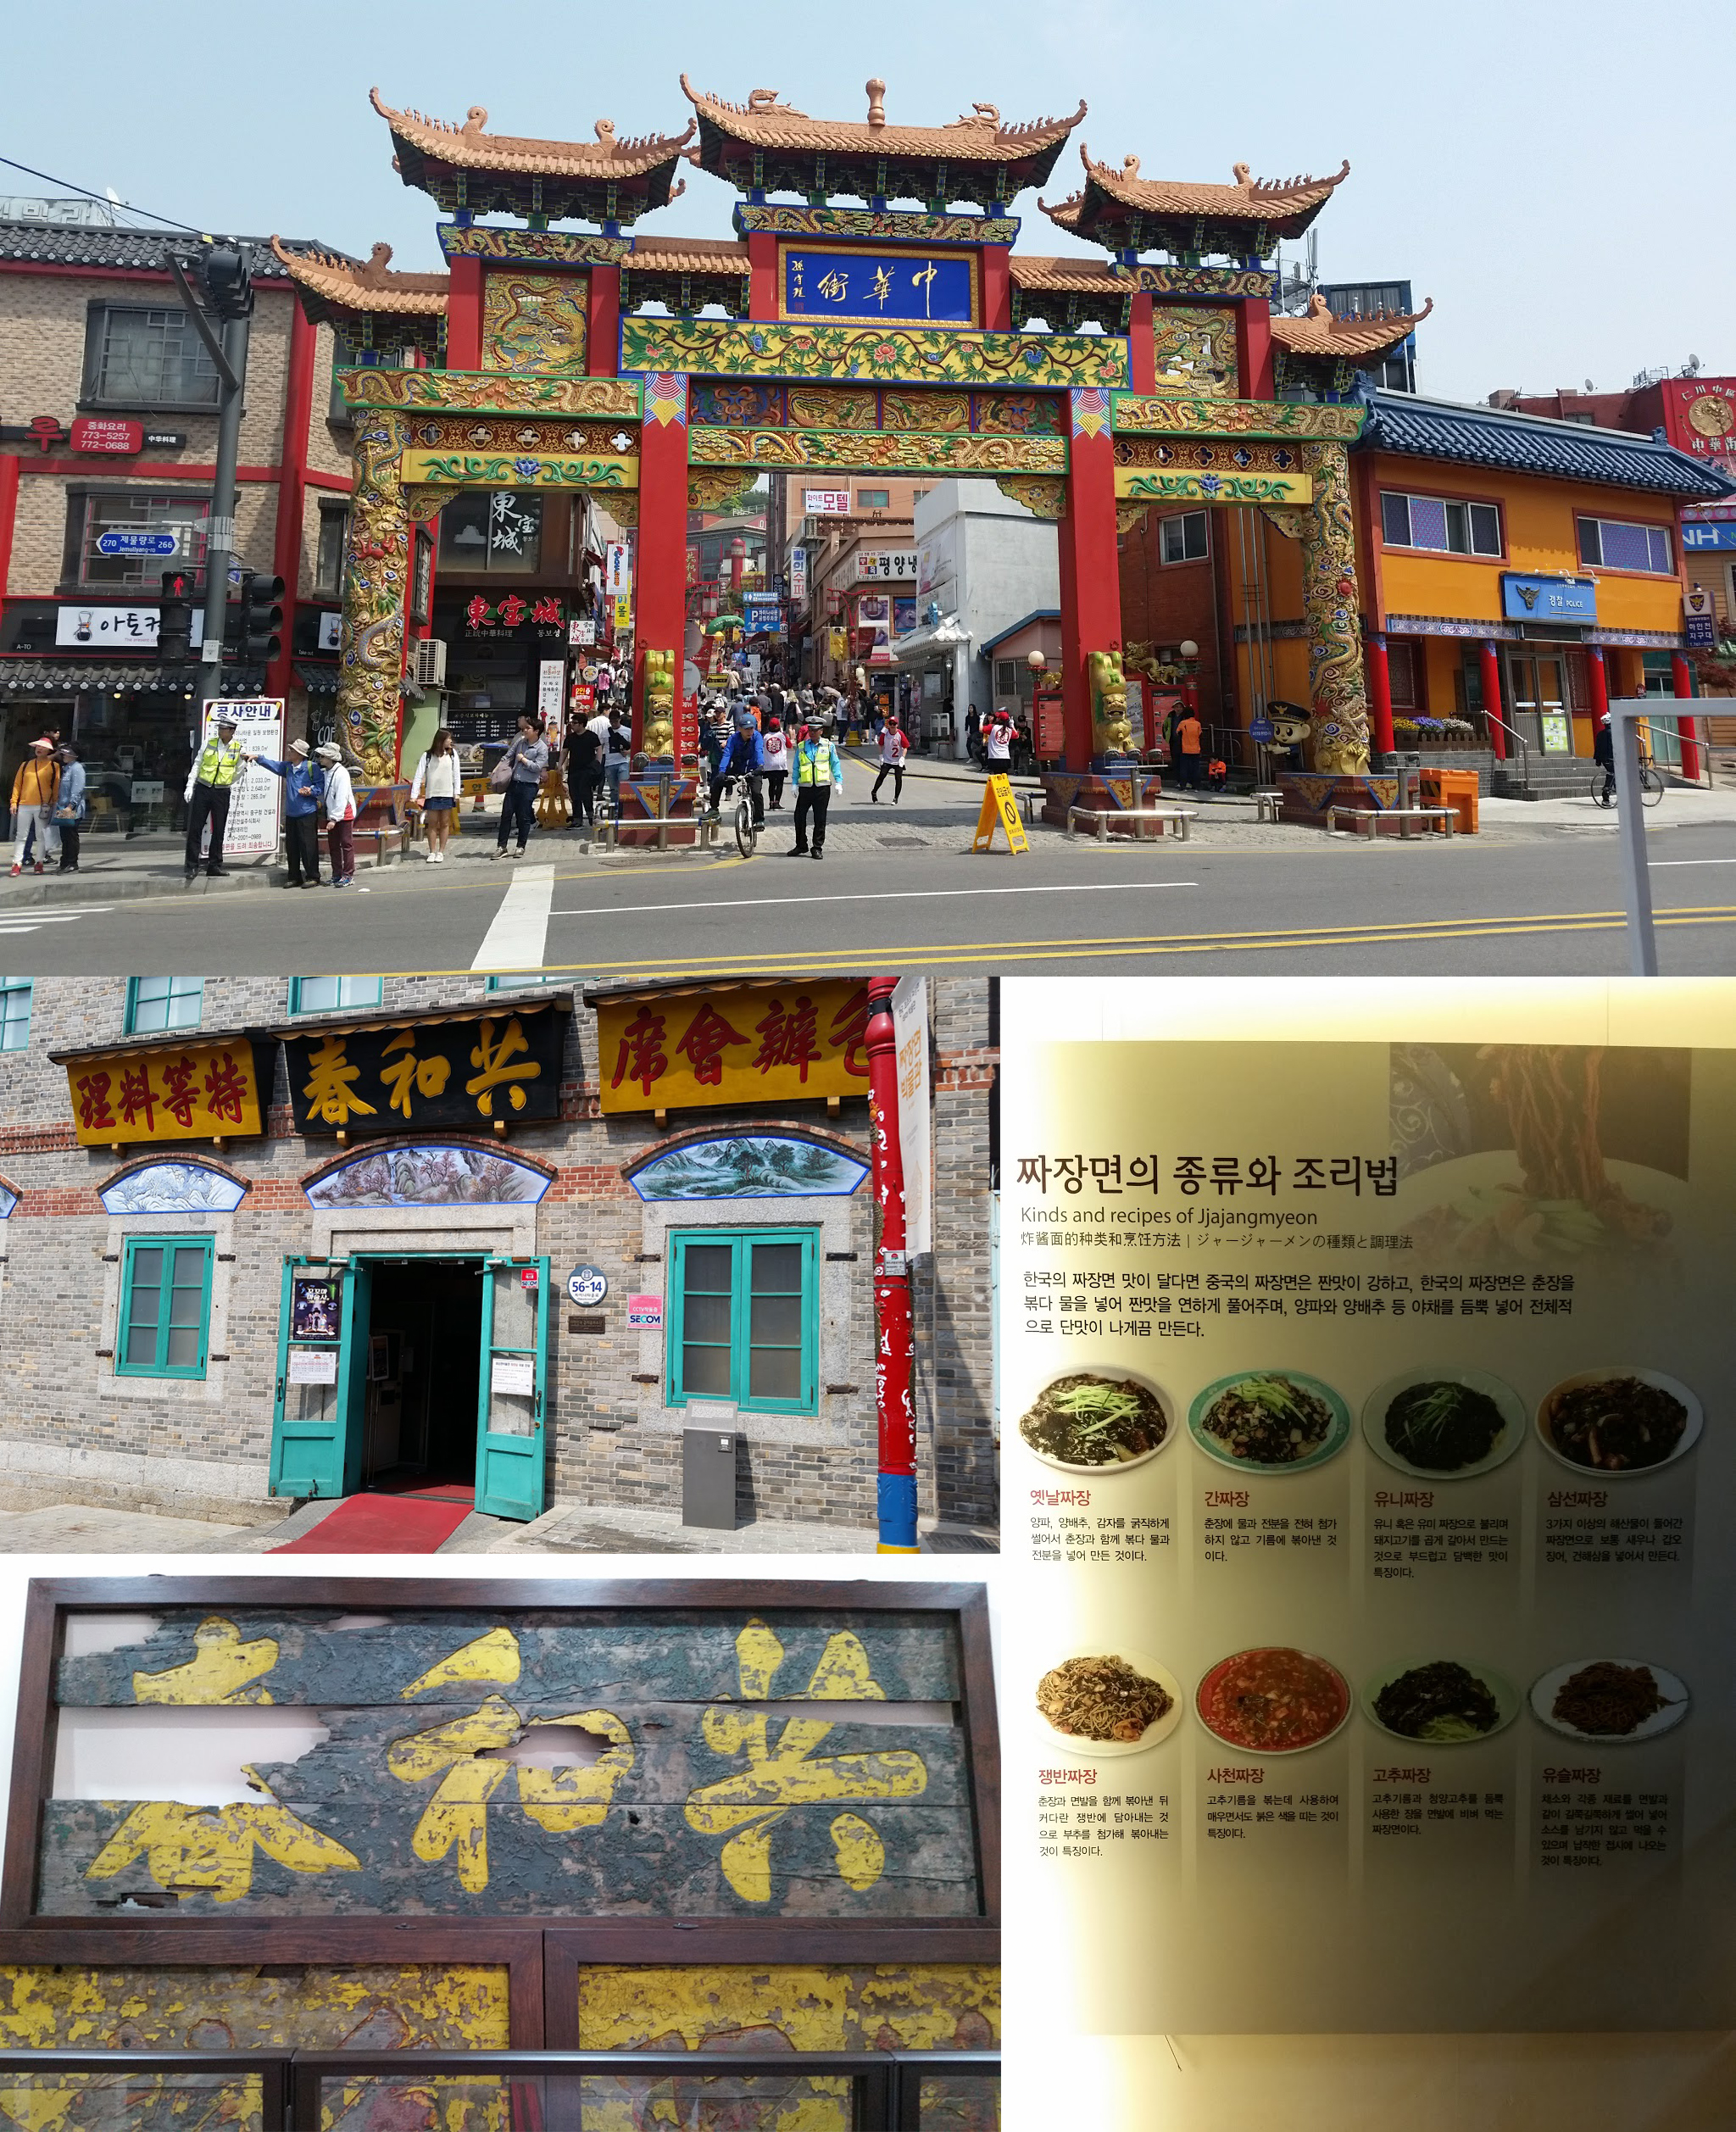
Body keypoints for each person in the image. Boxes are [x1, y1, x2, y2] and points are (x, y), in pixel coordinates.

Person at [183, 713, 248, 881]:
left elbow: (238, 772)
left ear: (232, 731)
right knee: (195, 828)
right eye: (219, 728)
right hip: (203, 788)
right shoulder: (208, 743)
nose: (220, 731)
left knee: (219, 830)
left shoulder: (238, 748)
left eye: (223, 728)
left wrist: (225, 782)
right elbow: (197, 764)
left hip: (222, 792)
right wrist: (190, 786)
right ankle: (191, 866)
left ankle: (215, 865)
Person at [256, 736, 324, 888]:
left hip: (307, 813)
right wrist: (259, 758)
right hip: (291, 813)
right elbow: (274, 765)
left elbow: (320, 786)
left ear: (300, 754)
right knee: (292, 847)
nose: (289, 752)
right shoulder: (288, 767)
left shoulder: (312, 768)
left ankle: (313, 876)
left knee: (308, 847)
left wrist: (311, 791)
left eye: (292, 750)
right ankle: (294, 877)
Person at [493, 714, 548, 860]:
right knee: (506, 815)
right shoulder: (520, 742)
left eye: (528, 728)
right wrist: (497, 769)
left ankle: (520, 846)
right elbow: (508, 756)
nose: (525, 730)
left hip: (529, 786)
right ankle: (501, 846)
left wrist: (523, 759)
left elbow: (537, 767)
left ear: (536, 731)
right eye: (524, 728)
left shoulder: (542, 748)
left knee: (523, 817)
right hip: (514, 783)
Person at [789, 712, 843, 860]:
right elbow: (796, 766)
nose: (812, 733)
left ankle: (817, 847)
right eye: (810, 730)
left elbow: (835, 764)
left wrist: (839, 782)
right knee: (799, 817)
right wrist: (794, 784)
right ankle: (801, 845)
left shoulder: (828, 746)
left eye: (815, 730)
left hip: (822, 788)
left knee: (820, 819)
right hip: (805, 787)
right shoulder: (801, 746)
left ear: (821, 731)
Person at [10, 738, 61, 877]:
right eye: (38, 746)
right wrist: (14, 802)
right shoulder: (25, 765)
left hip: (43, 806)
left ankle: (39, 862)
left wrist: (54, 804)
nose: (39, 749)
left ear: (49, 750)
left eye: (43, 747)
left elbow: (56, 787)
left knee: (41, 836)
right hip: (24, 804)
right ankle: (17, 863)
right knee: (21, 835)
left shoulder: (53, 767)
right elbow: (17, 785)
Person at [410, 726, 462, 862]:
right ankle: (432, 851)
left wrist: (456, 792)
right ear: (441, 740)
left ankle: (441, 851)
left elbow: (456, 774)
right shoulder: (427, 755)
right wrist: (414, 795)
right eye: (448, 738)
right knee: (432, 823)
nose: (450, 741)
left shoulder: (452, 754)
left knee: (445, 823)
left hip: (447, 793)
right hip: (432, 793)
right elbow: (418, 775)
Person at [315, 742, 357, 887]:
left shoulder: (342, 773)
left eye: (322, 756)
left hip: (343, 814)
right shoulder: (326, 772)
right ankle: (337, 874)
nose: (320, 758)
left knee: (346, 844)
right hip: (332, 813)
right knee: (333, 846)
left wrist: (334, 818)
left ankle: (348, 875)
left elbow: (341, 797)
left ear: (330, 758)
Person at [715, 710, 765, 827]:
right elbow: (727, 754)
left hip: (754, 770)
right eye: (746, 729)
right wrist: (722, 771)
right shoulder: (733, 738)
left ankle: (759, 820)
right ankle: (713, 809)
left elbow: (759, 751)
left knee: (756, 793)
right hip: (738, 770)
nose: (749, 731)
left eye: (751, 728)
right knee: (717, 782)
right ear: (740, 729)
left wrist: (761, 766)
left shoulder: (757, 737)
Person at [51, 744, 86, 872]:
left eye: (67, 753)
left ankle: (72, 863)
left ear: (74, 755)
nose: (64, 755)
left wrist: (71, 806)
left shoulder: (77, 769)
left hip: (71, 808)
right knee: (64, 835)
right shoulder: (66, 769)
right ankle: (64, 862)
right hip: (63, 806)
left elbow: (77, 789)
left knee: (71, 834)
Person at [568, 717, 603, 833]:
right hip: (573, 769)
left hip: (587, 769)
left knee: (586, 793)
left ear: (582, 724)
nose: (572, 725)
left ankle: (590, 815)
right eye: (571, 723)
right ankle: (577, 819)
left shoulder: (591, 736)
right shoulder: (570, 737)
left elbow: (598, 748)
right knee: (574, 794)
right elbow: (564, 751)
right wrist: (560, 766)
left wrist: (598, 762)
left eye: (575, 723)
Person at [870, 715, 908, 804]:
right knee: (882, 775)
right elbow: (880, 744)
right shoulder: (885, 734)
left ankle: (896, 798)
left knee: (898, 779)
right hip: (887, 759)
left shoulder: (900, 734)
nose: (892, 725)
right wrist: (880, 756)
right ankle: (874, 792)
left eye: (894, 724)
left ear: (897, 725)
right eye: (891, 723)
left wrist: (903, 758)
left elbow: (905, 747)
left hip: (897, 760)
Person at [761, 715, 789, 810]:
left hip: (769, 764)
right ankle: (777, 802)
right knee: (780, 784)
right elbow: (789, 745)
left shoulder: (765, 737)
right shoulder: (782, 736)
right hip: (780, 763)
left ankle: (771, 802)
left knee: (771, 784)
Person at [1175, 704, 1204, 789]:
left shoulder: (1183, 723)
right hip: (1196, 749)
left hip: (1185, 749)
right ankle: (1196, 786)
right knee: (1196, 768)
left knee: (1184, 768)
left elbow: (1177, 733)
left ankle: (1183, 785)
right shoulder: (1198, 724)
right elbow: (1200, 734)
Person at [982, 707, 1014, 775]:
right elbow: (1016, 735)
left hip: (994, 757)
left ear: (999, 719)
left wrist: (981, 720)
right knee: (1004, 778)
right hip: (1006, 757)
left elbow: (981, 729)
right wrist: (1012, 725)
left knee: (994, 778)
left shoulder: (993, 727)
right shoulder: (1010, 730)